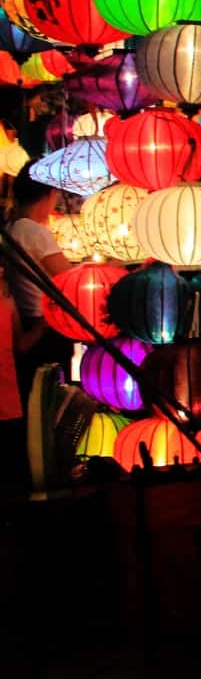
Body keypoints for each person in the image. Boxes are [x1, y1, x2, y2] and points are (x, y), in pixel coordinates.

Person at [3, 176, 71, 484]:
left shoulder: (13, 230)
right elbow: (69, 278)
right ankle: (51, 470)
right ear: (48, 193)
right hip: (44, 325)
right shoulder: (34, 231)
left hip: (28, 323)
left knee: (34, 402)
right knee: (52, 404)